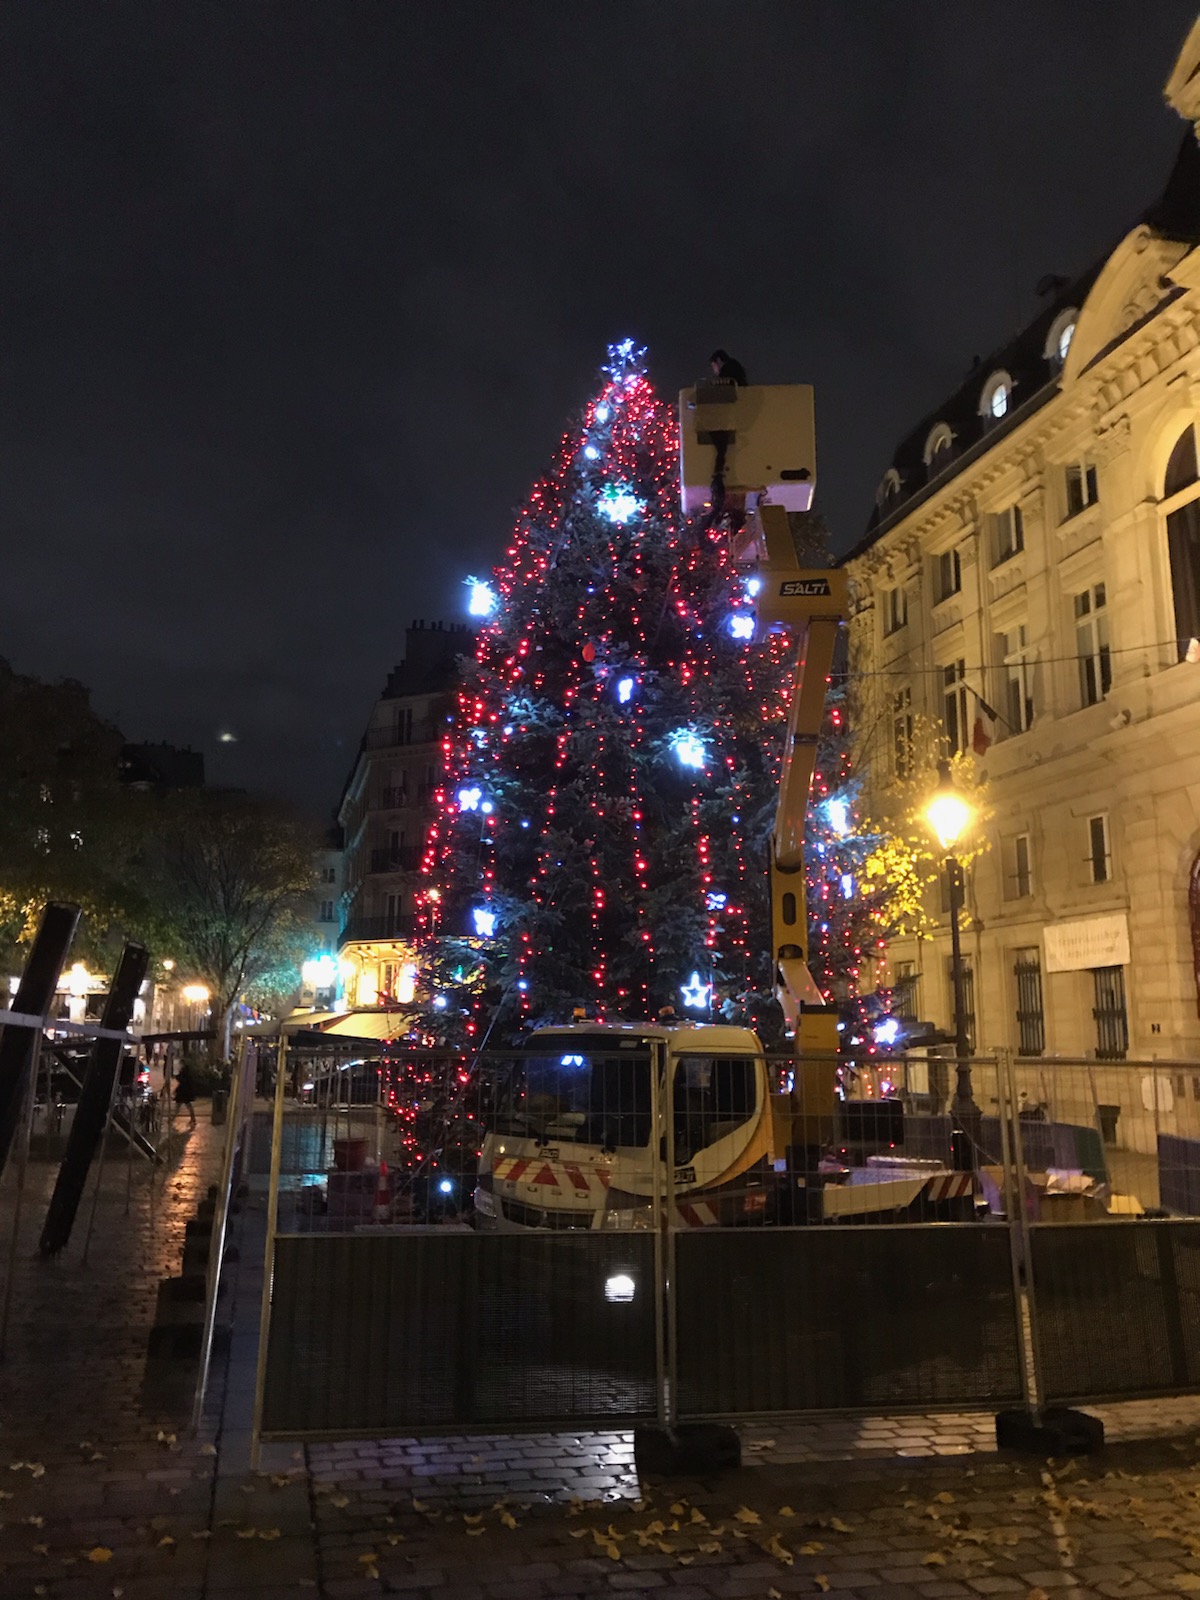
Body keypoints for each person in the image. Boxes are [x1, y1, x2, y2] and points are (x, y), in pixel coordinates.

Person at [706, 350, 748, 509]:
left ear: (718, 361)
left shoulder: (728, 371)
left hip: (727, 415)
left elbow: (723, 390)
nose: (714, 370)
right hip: (732, 414)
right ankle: (719, 471)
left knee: (719, 441)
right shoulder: (735, 367)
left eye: (714, 366)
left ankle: (719, 472)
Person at [174, 1058, 198, 1129]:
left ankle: (173, 1118)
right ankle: (193, 1118)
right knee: (186, 1105)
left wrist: (177, 1077)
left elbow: (183, 1080)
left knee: (180, 1105)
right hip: (185, 1091)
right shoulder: (187, 1070)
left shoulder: (185, 1071)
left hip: (184, 1092)